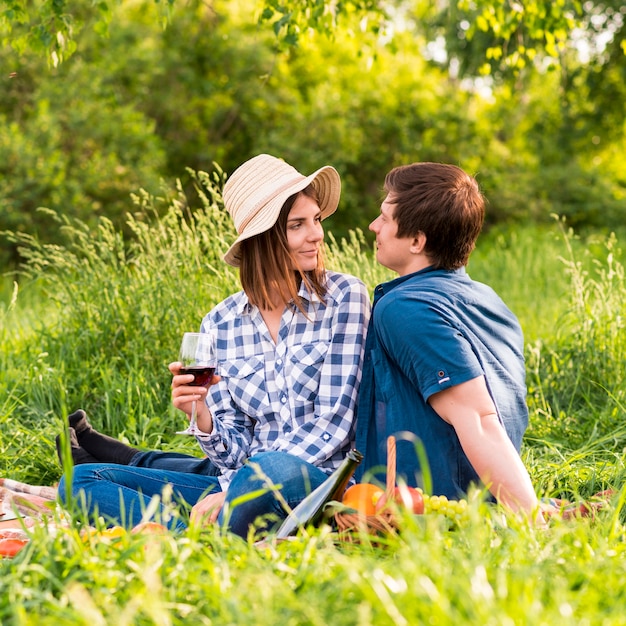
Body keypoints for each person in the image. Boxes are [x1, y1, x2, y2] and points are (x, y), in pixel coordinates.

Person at [57, 154, 370, 538]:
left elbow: (333, 426)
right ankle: (190, 537)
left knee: (274, 467)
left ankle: (201, 532)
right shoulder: (220, 324)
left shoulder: (344, 298)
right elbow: (233, 451)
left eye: (316, 220)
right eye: (298, 225)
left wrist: (237, 491)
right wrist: (202, 416)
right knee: (80, 480)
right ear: (264, 238)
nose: (317, 235)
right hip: (237, 489)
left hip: (310, 484)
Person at [354, 161, 541, 521]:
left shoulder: (405, 307)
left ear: (417, 240)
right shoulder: (487, 299)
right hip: (480, 491)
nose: (373, 226)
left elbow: (480, 418)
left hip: (428, 503)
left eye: (385, 219)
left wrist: (531, 517)